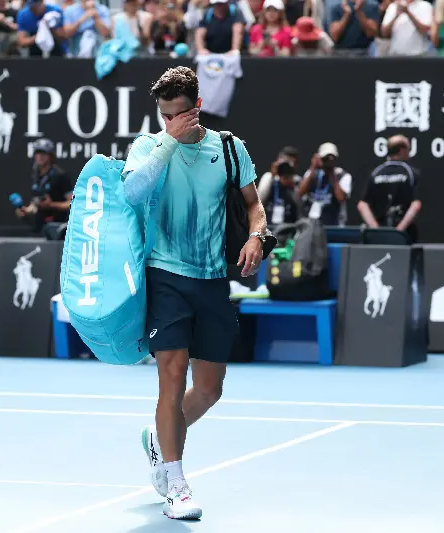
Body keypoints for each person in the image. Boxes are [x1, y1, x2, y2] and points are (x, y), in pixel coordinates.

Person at [122, 66, 268, 520]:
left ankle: (157, 436)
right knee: (172, 373)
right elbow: (132, 193)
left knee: (208, 389)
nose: (172, 123)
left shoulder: (228, 148)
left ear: (198, 107)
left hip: (212, 279)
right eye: (165, 116)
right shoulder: (148, 146)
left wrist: (256, 236)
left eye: (180, 115)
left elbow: (254, 205)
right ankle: (176, 485)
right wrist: (168, 141)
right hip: (164, 275)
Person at [357, 134, 422, 242]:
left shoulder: (376, 173)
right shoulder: (411, 173)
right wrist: (399, 231)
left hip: (380, 235)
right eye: (408, 149)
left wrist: (375, 229)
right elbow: (416, 205)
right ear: (402, 150)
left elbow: (362, 205)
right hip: (404, 235)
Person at [15, 138, 72, 240]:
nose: (40, 156)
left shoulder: (60, 175)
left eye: (43, 153)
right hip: (39, 229)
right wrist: (26, 211)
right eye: (37, 153)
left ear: (50, 156)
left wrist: (52, 205)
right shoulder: (36, 175)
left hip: (56, 230)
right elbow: (36, 203)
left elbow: (72, 203)